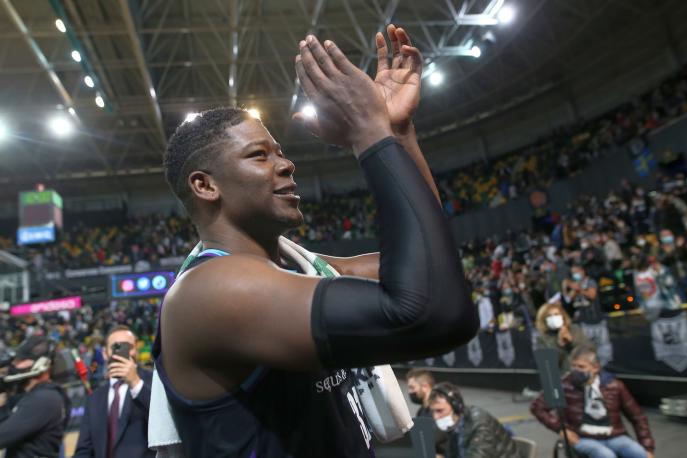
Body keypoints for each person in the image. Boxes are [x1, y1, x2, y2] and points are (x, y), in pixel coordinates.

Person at [154, 25, 477, 457]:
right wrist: (369, 132)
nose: (287, 165)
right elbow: (433, 314)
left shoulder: (301, 271)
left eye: (281, 152)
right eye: (259, 155)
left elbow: (431, 262)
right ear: (205, 185)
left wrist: (397, 132)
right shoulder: (212, 291)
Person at [531, 347, 654, 458]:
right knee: (606, 455)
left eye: (581, 367)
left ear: (595, 368)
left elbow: (638, 417)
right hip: (583, 437)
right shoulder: (564, 385)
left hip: (615, 435)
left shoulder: (615, 386)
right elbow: (537, 407)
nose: (575, 371)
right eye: (573, 366)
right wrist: (561, 429)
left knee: (639, 453)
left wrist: (647, 447)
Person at [74, 325, 154, 458]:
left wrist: (135, 383)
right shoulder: (95, 398)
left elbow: (165, 422)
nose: (125, 352)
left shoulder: (154, 382)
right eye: (116, 347)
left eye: (129, 346)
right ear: (105, 354)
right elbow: (84, 450)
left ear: (137, 350)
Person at [0, 336, 70, 458]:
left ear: (41, 364)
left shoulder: (43, 398)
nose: (14, 365)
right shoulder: (39, 395)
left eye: (20, 360)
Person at [428, 382, 518, 458]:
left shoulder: (480, 425)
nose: (436, 417)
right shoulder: (453, 425)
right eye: (433, 411)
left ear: (456, 407)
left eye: (440, 411)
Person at [535, 301, 593, 373]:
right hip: (562, 376)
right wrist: (559, 345)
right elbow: (548, 366)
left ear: (562, 316)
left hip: (581, 371)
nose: (553, 318)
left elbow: (589, 349)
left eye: (556, 314)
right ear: (544, 320)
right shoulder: (541, 339)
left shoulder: (574, 329)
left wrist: (571, 342)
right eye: (549, 316)